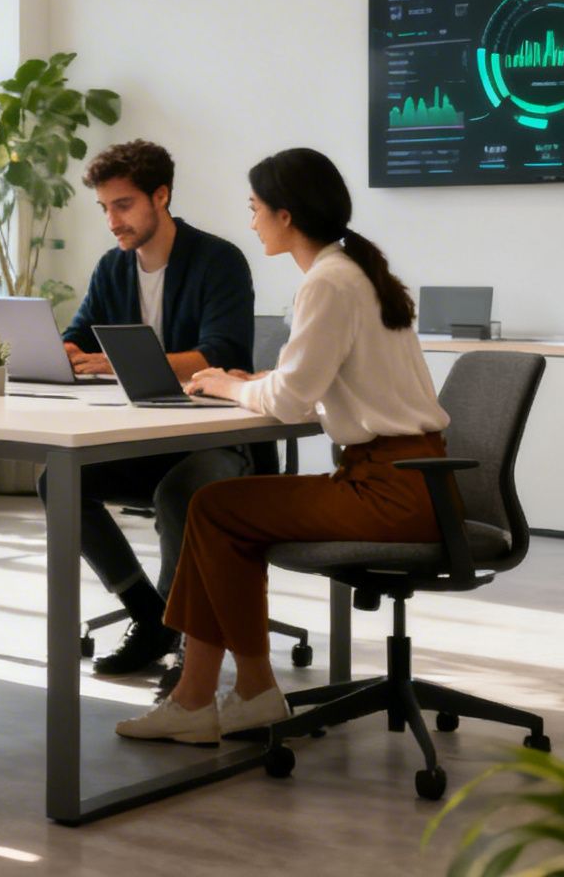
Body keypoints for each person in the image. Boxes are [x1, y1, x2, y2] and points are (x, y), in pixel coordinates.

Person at [116, 147, 450, 745]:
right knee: (224, 512)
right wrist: (261, 382)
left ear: (286, 216)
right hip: (411, 479)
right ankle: (234, 693)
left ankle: (219, 697)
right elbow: (317, 384)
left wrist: (226, 384)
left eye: (255, 209)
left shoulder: (327, 282)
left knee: (216, 508)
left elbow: (292, 402)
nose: (251, 222)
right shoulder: (352, 271)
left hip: (391, 491)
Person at [45, 139, 261, 676]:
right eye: (105, 208)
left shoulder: (218, 261)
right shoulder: (113, 268)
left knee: (180, 492)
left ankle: (186, 637)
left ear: (160, 196)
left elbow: (221, 355)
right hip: (142, 437)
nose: (112, 221)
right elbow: (79, 334)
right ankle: (149, 614)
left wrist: (115, 363)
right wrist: (65, 351)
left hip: (214, 441)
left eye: (123, 205)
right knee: (59, 481)